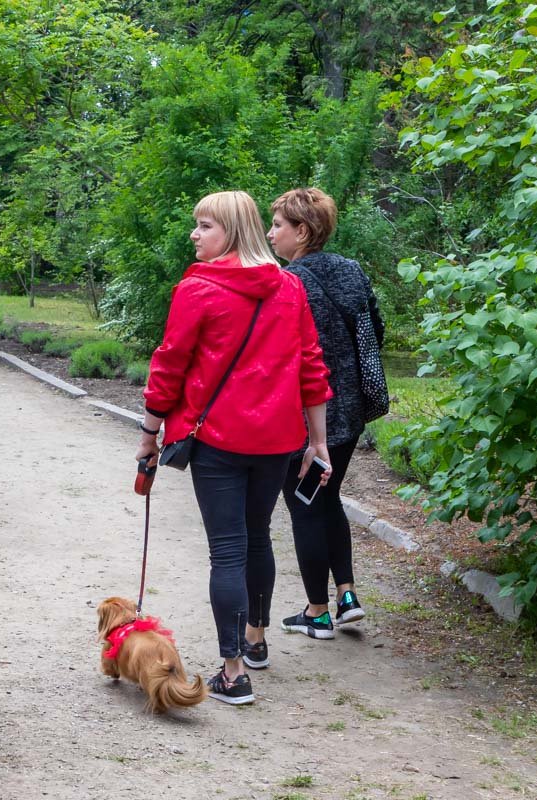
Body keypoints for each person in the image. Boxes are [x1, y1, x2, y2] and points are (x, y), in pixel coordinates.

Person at [137, 190, 333, 705]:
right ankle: (256, 641)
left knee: (228, 549)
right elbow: (312, 368)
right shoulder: (289, 288)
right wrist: (319, 442)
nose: (194, 234)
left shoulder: (198, 288)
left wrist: (149, 433)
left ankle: (232, 672)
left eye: (205, 226)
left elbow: (170, 365)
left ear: (231, 231)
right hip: (277, 442)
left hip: (219, 439)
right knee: (258, 538)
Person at [267, 187, 385, 639]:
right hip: (351, 411)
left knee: (303, 506)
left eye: (278, 225)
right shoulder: (352, 271)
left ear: (302, 231)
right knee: (328, 495)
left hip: (306, 415)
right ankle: (347, 595)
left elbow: (282, 352)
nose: (270, 233)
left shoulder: (287, 281)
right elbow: (375, 330)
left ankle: (317, 611)